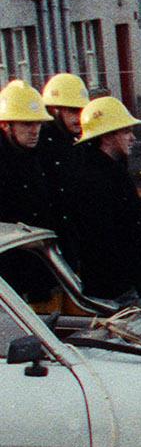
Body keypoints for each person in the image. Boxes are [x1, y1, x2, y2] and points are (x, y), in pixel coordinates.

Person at [65, 96, 141, 304]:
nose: (132, 138)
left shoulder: (111, 172)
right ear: (106, 137)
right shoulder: (94, 180)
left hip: (126, 285)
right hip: (117, 290)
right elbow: (103, 241)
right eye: (125, 131)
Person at [0, 79, 59, 308]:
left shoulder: (37, 157)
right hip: (10, 281)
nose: (35, 131)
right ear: (6, 125)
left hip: (39, 273)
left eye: (38, 124)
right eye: (27, 124)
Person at [37, 71, 88, 263]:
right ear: (55, 110)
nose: (79, 118)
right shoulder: (44, 146)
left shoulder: (77, 143)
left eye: (82, 111)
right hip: (55, 239)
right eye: (72, 111)